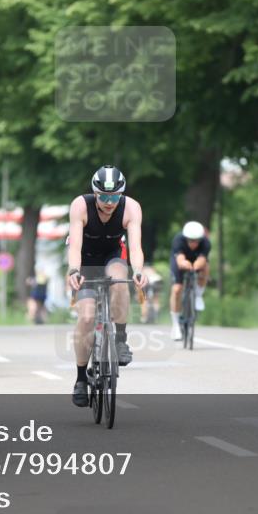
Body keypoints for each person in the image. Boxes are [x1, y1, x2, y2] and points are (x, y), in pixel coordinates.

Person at [66, 165, 148, 407]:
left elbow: (135, 248)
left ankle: (120, 339)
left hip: (113, 255)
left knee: (120, 279)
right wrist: (74, 271)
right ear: (95, 192)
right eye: (104, 196)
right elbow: (74, 247)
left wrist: (140, 271)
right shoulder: (80, 206)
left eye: (115, 196)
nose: (110, 202)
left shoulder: (131, 207)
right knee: (87, 316)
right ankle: (81, 378)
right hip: (85, 259)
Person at [169, 221, 211, 340]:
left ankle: (198, 295)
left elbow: (202, 260)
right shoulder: (178, 240)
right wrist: (185, 264)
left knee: (206, 267)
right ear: (185, 238)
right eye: (191, 240)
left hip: (196, 261)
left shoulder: (206, 243)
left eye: (197, 240)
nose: (194, 243)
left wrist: (196, 266)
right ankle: (175, 324)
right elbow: (180, 260)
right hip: (181, 261)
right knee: (177, 289)